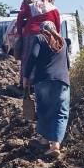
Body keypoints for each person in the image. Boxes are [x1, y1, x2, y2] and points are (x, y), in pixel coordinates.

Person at [24, 21, 70, 158]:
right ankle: (54, 144)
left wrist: (26, 77)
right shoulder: (63, 42)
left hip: (43, 80)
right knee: (60, 112)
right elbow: (68, 64)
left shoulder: (39, 38)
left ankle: (44, 139)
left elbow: (33, 56)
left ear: (42, 30)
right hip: (62, 81)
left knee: (44, 110)